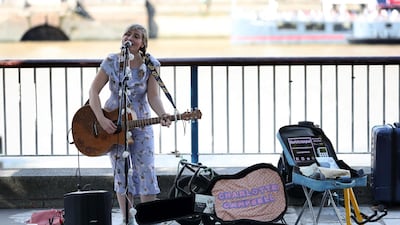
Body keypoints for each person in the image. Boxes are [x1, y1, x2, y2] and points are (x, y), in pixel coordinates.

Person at [88, 24, 171, 225]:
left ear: (143, 43)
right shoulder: (111, 61)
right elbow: (93, 92)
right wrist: (101, 119)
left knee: (146, 172)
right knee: (121, 173)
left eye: (136, 36)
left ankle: (147, 219)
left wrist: (162, 114)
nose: (131, 38)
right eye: (127, 34)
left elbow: (153, 97)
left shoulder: (151, 64)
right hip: (113, 124)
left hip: (141, 124)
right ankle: (127, 220)